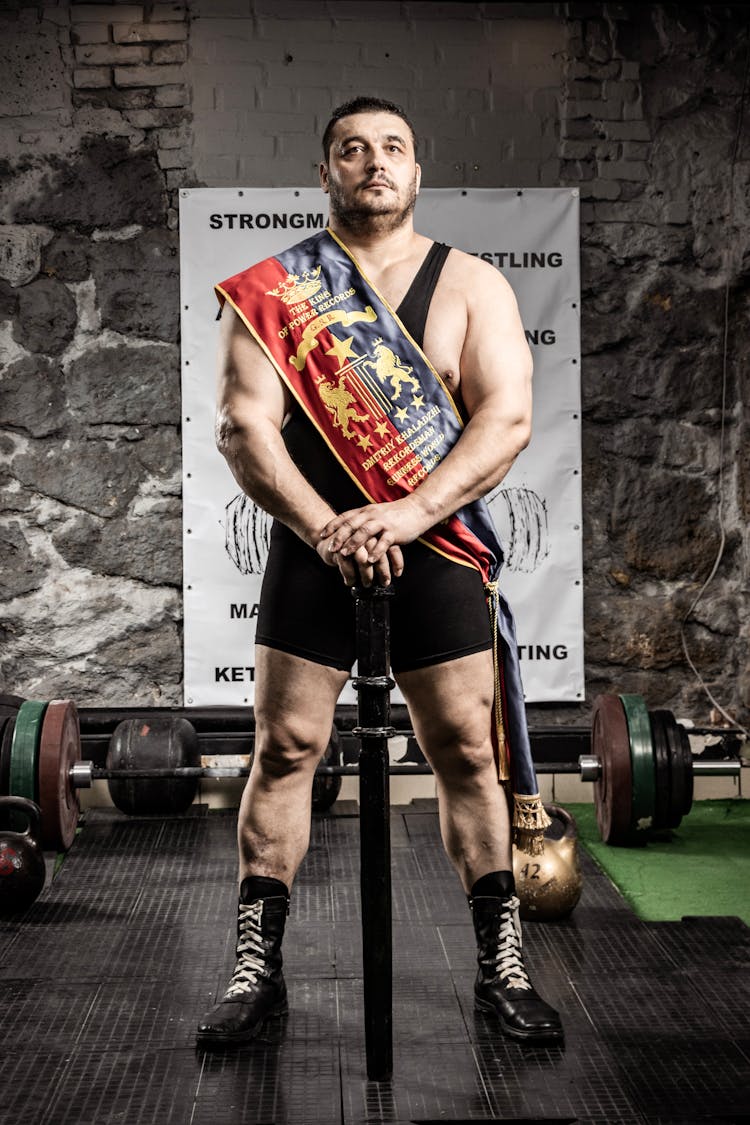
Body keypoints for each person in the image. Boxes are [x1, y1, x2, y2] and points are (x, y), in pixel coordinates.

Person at [196, 96, 563, 1049]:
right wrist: (328, 530)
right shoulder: (278, 291)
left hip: (435, 548)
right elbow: (244, 428)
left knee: (468, 756)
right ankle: (255, 970)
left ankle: (502, 965)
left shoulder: (473, 285)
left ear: (416, 170)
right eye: (351, 150)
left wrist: (403, 513)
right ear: (325, 173)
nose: (373, 162)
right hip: (314, 548)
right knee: (284, 751)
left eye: (392, 148)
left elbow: (505, 422)